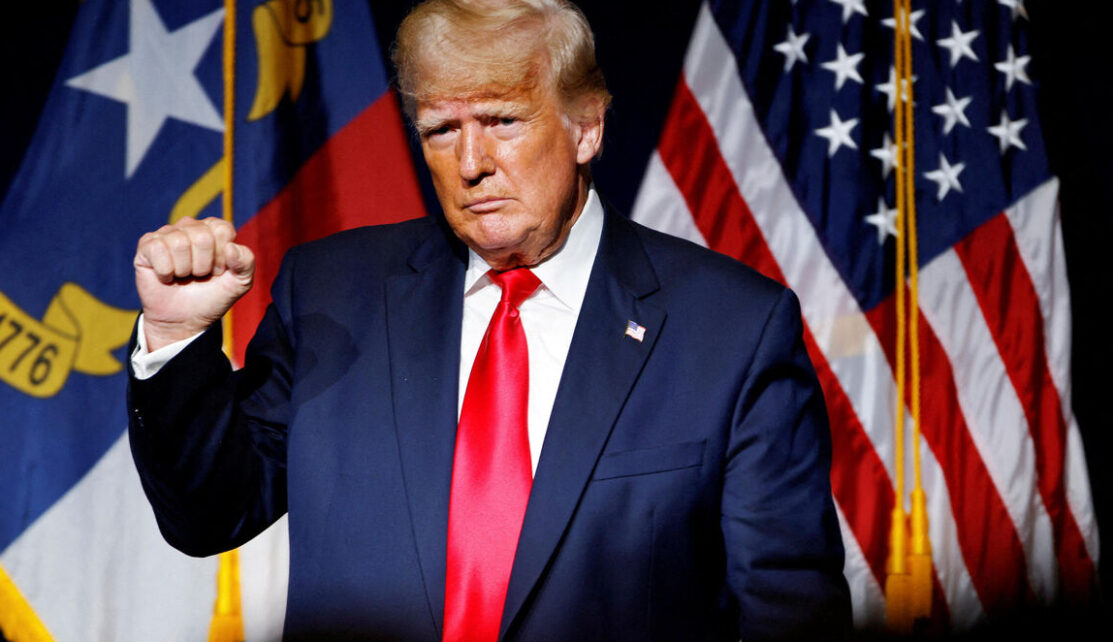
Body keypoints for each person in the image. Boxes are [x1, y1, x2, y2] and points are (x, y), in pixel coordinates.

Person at [128, 0, 851, 639]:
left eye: (502, 120)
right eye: (441, 129)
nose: (471, 162)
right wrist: (174, 340)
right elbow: (208, 516)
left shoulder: (732, 331)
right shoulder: (329, 294)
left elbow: (789, 609)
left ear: (587, 127)